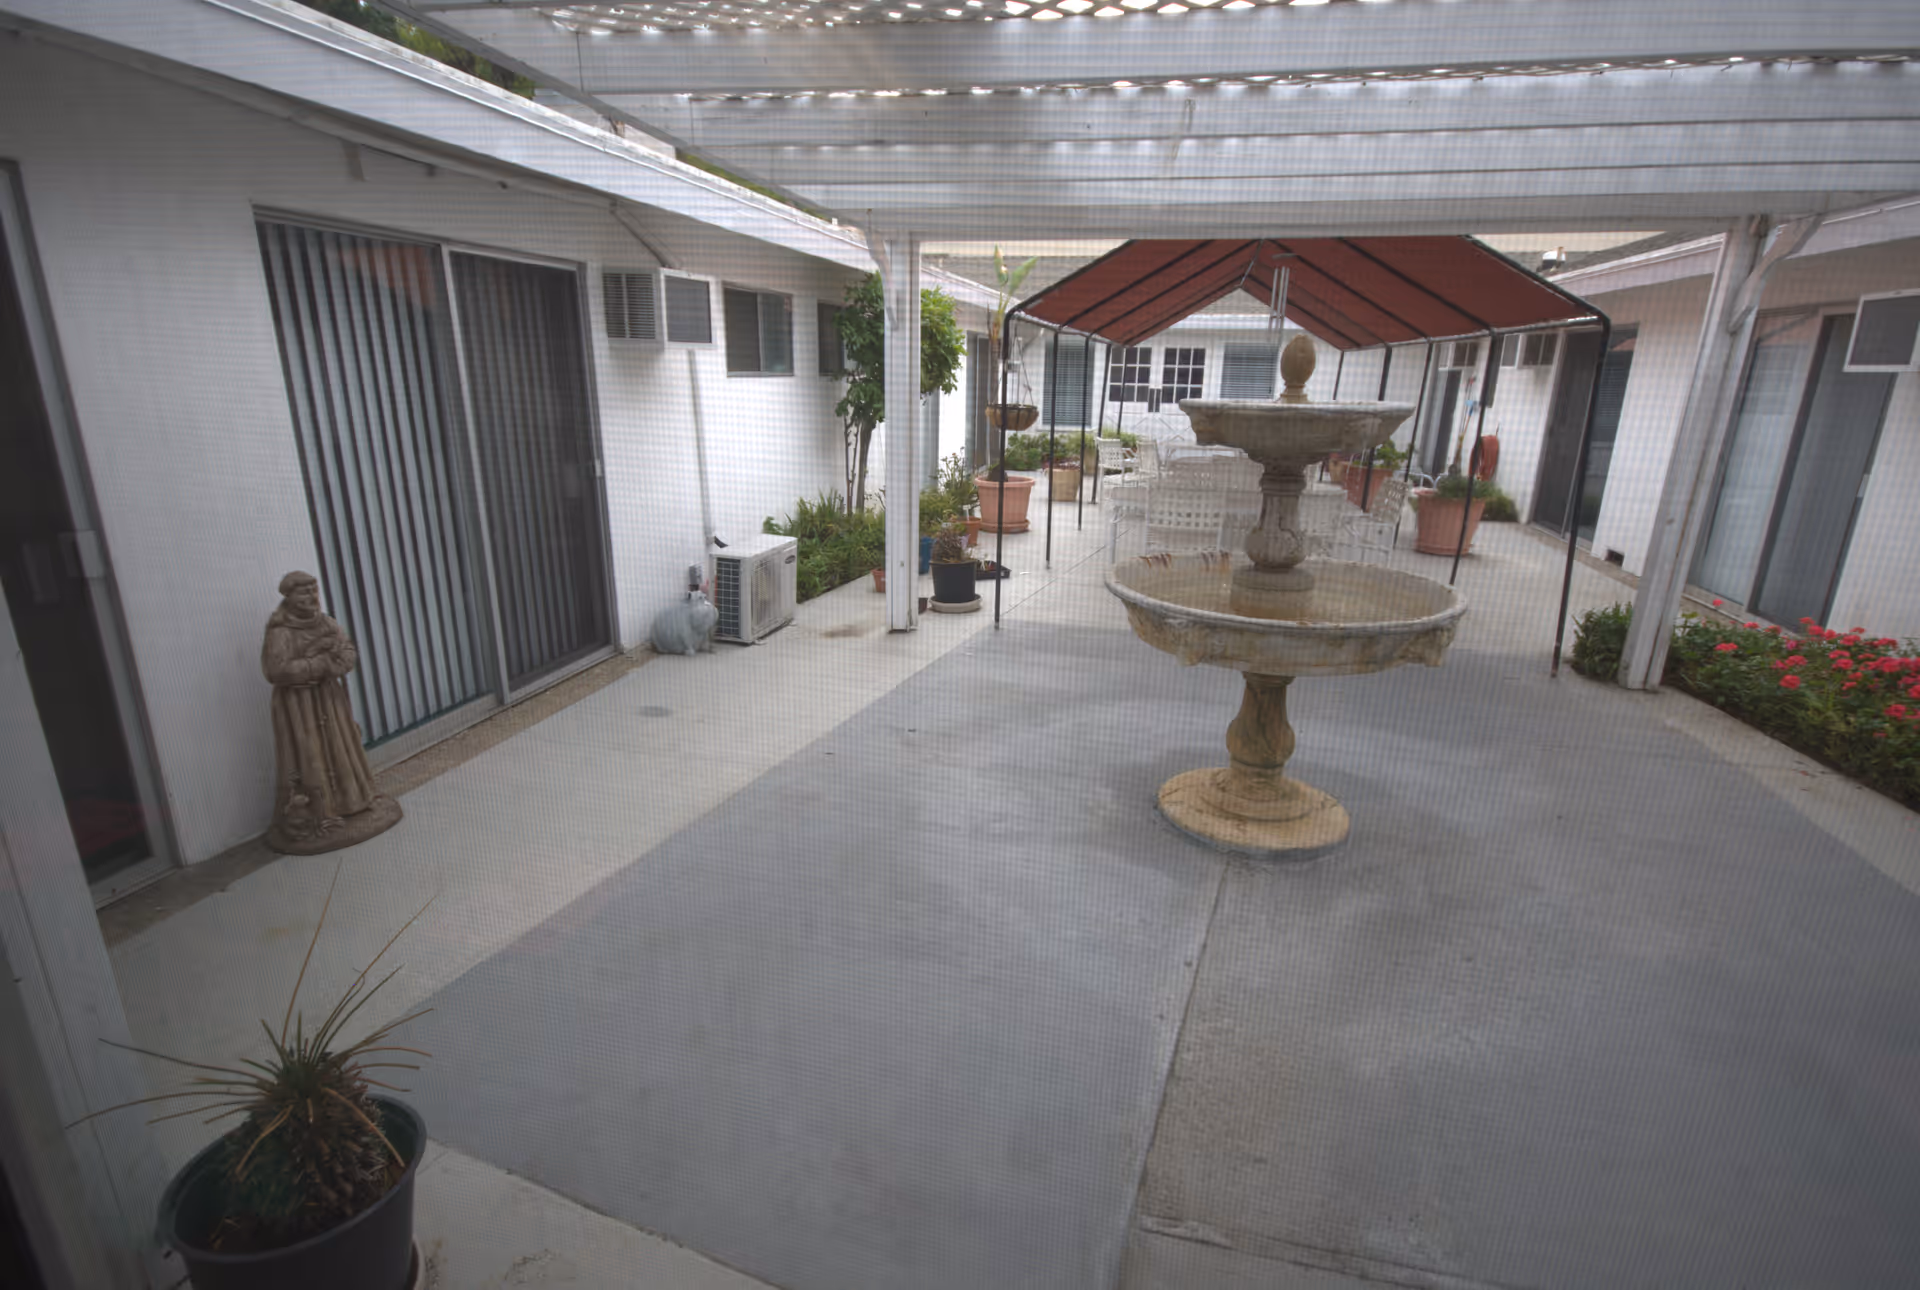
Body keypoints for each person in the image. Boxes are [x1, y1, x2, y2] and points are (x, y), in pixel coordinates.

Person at [261, 571, 400, 853]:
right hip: (300, 707)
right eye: (304, 592)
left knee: (342, 746)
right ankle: (319, 815)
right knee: (309, 753)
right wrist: (318, 664)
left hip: (329, 698)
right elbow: (275, 670)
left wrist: (334, 662)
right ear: (289, 597)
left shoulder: (326, 622)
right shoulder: (280, 632)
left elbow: (347, 651)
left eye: (314, 591)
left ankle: (354, 801)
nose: (311, 597)